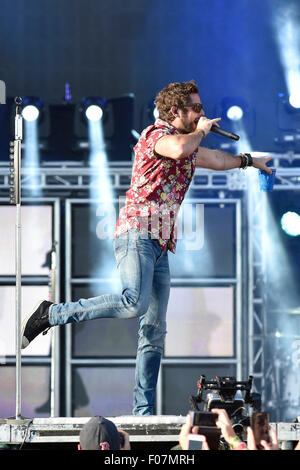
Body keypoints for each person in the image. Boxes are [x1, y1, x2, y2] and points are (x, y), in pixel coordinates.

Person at [20, 80, 272, 415]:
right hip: (137, 232)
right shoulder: (155, 135)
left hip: (160, 243)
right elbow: (182, 148)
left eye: (200, 107)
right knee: (132, 303)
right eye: (194, 108)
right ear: (175, 112)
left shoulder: (188, 145)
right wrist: (202, 130)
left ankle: (142, 411)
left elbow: (215, 159)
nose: (201, 112)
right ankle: (51, 313)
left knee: (153, 331)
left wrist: (250, 161)